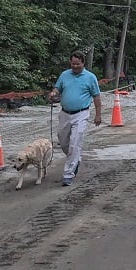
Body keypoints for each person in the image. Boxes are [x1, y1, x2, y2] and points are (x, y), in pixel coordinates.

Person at [48, 50, 102, 186]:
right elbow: (58, 88)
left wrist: (98, 114)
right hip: (65, 113)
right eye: (73, 64)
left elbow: (96, 96)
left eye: (77, 64)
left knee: (75, 142)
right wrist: (54, 93)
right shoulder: (65, 75)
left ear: (83, 63)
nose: (75, 66)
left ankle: (68, 174)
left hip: (81, 114)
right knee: (63, 141)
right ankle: (75, 159)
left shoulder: (90, 77)